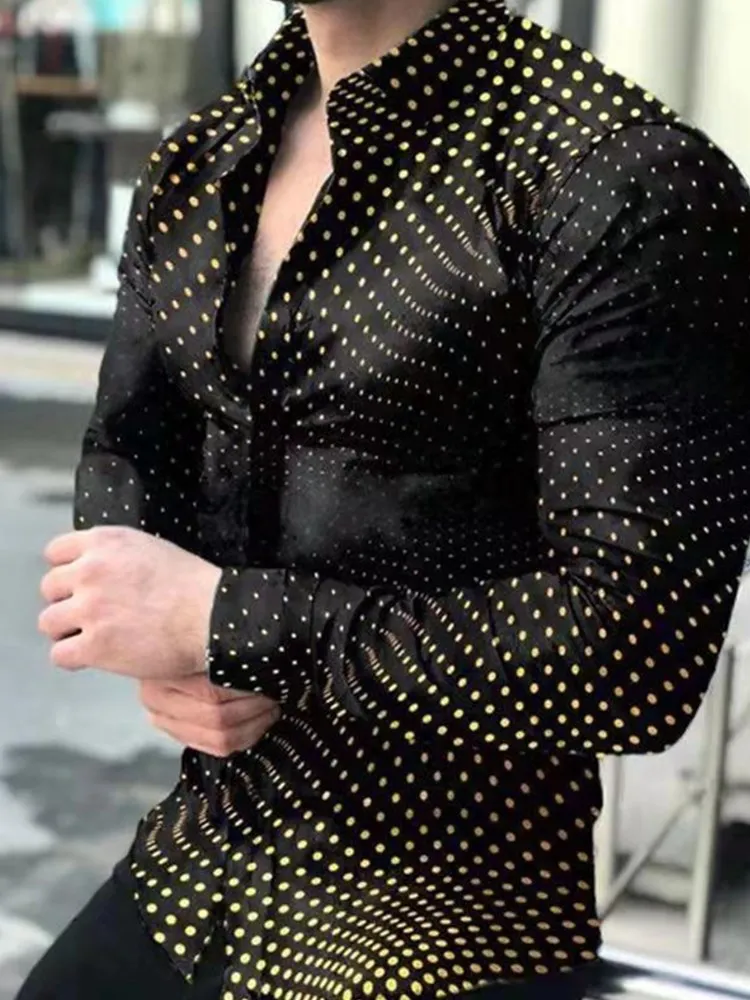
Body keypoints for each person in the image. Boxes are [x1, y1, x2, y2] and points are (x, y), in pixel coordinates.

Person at [21, 0, 750, 997]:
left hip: (452, 908)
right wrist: (165, 642)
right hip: (207, 859)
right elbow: (130, 451)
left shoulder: (620, 176)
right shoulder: (203, 157)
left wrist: (223, 621)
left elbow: (636, 651)